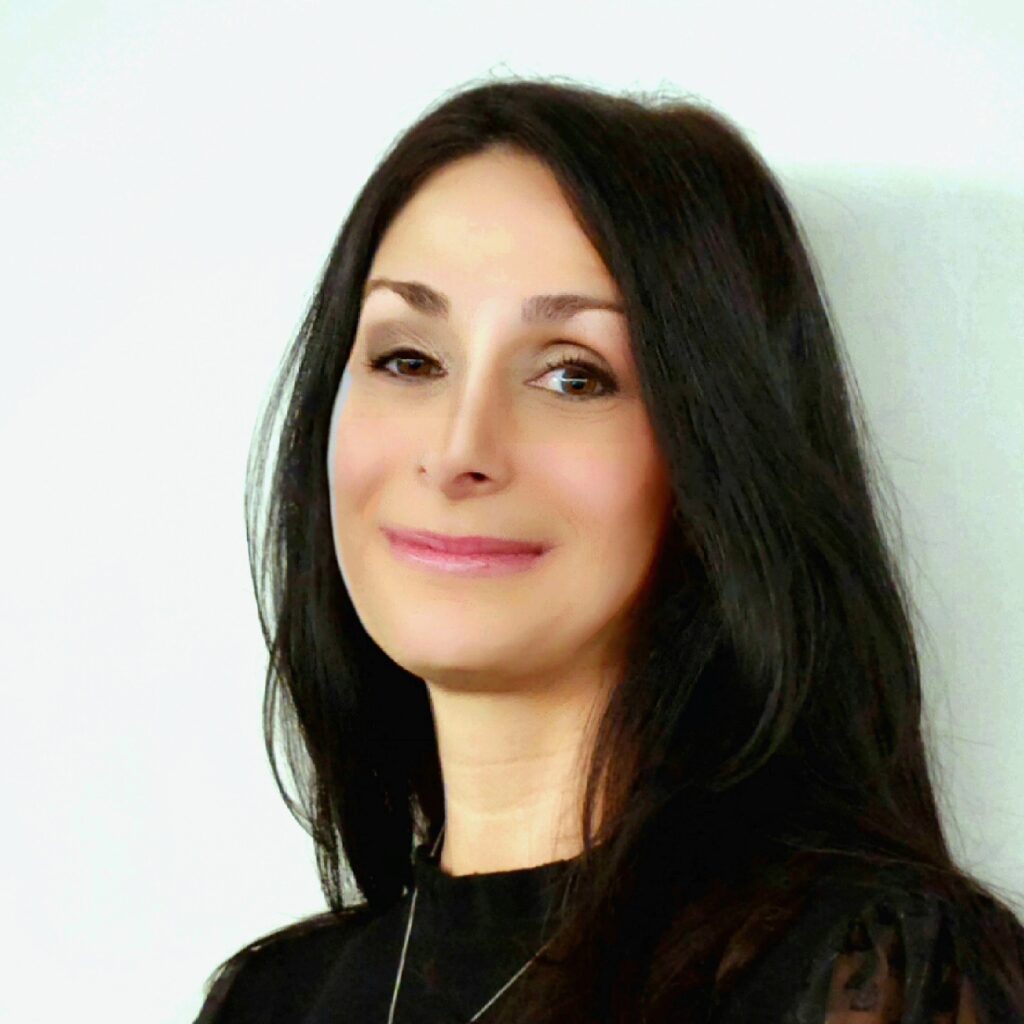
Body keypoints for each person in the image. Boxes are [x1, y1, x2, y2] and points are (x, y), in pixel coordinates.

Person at [193, 78, 1024, 1024]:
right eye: (408, 360)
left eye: (573, 375)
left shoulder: (871, 976)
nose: (459, 450)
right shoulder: (271, 1001)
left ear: (718, 452)